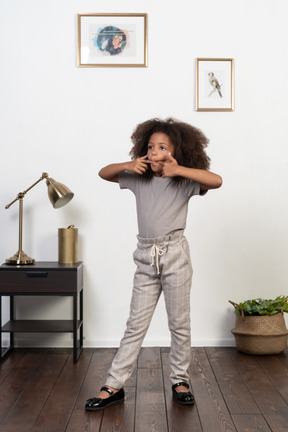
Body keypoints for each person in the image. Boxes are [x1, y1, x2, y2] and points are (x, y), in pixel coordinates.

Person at [85, 118, 222, 411]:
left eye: (162, 147)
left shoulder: (184, 181)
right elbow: (103, 173)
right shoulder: (139, 178)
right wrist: (129, 163)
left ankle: (180, 380)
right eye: (150, 146)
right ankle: (113, 385)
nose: (155, 151)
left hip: (175, 256)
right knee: (135, 324)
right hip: (146, 257)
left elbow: (216, 180)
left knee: (179, 323)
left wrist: (178, 169)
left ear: (176, 151)